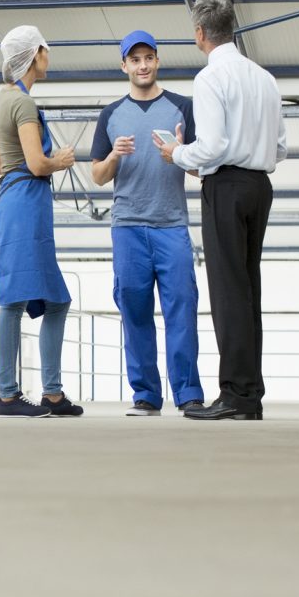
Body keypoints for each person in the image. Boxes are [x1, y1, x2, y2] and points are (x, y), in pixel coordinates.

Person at [155, 0, 287, 420]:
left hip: (226, 187)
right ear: (233, 27)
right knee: (248, 289)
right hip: (259, 186)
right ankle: (249, 395)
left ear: (199, 34)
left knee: (229, 292)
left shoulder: (211, 79)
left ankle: (234, 394)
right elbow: (280, 147)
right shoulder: (265, 78)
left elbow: (212, 146)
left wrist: (178, 152)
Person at [90, 30, 204, 416]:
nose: (142, 65)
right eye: (134, 60)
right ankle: (146, 395)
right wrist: (115, 157)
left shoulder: (182, 107)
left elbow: (202, 167)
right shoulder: (110, 115)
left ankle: (188, 393)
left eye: (148, 58)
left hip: (171, 225)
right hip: (128, 228)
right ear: (124, 65)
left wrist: (180, 156)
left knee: (182, 308)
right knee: (134, 310)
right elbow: (98, 176)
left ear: (158, 61)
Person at [0, 25, 84, 418]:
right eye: (46, 48)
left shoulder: (2, 100)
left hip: (15, 201)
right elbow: (36, 163)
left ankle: (52, 394)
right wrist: (59, 160)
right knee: (13, 299)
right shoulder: (24, 105)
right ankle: (8, 395)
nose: (49, 55)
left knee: (56, 299)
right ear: (35, 54)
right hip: (26, 201)